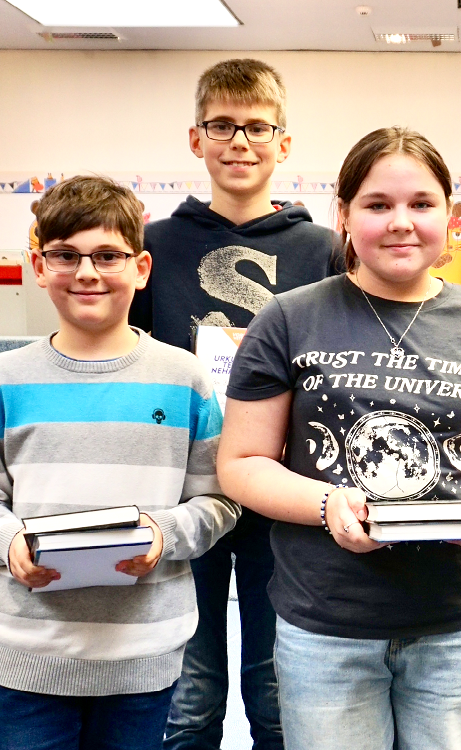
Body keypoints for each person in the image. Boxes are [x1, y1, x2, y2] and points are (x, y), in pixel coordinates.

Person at [216, 126, 461, 750]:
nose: (402, 222)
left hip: (458, 620)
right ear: (343, 215)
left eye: (422, 204)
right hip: (327, 622)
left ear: (450, 214)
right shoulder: (288, 319)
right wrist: (327, 505)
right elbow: (240, 461)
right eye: (377, 205)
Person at [0, 175, 240, 750]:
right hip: (27, 654)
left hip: (142, 655)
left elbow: (219, 499)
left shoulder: (184, 379)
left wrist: (165, 534)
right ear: (39, 264)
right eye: (66, 255)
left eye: (107, 255)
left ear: (141, 268)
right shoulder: (1, 380)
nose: (87, 273)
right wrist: (9, 542)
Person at [127, 58, 340, 750]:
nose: (239, 142)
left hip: (284, 492)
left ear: (284, 142)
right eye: (222, 126)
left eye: (256, 127)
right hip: (181, 488)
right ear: (196, 139)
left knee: (278, 690)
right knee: (188, 695)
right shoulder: (155, 244)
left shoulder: (323, 250)